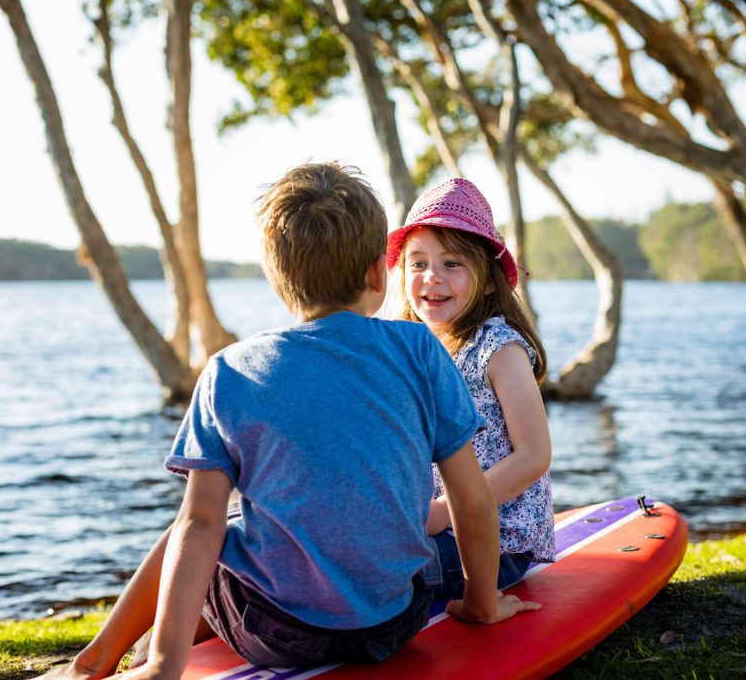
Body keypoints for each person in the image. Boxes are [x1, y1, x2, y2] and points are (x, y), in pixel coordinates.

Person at [42, 163, 535, 680]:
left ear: (277, 278)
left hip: (275, 632)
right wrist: (483, 603)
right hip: (393, 624)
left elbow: (200, 523)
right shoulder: (419, 351)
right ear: (377, 272)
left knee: (204, 528)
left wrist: (169, 666)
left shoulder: (229, 370)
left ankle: (102, 662)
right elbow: (471, 497)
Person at [386, 177, 555, 600]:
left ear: (488, 279)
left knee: (375, 566)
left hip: (495, 546)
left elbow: (533, 455)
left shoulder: (497, 348)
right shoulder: (411, 347)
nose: (432, 277)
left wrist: (444, 513)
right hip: (430, 526)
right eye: (418, 263)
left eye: (452, 264)